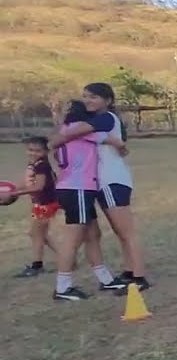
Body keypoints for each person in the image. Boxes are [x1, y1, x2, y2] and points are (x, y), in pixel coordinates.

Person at [51, 82, 150, 292]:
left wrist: (57, 139)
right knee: (120, 232)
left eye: (93, 97)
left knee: (127, 232)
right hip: (102, 183)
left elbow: (72, 133)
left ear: (108, 101)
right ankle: (130, 271)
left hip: (111, 181)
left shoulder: (104, 119)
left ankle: (139, 278)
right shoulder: (99, 121)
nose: (88, 100)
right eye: (85, 96)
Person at [49, 101, 123, 301]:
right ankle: (63, 288)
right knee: (74, 238)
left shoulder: (65, 131)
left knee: (93, 235)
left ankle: (106, 280)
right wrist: (120, 145)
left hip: (76, 188)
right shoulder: (80, 131)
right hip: (78, 188)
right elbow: (114, 141)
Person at [11, 137, 60, 278]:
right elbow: (27, 183)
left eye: (38, 150)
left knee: (37, 234)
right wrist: (10, 190)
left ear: (45, 151)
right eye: (30, 150)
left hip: (47, 203)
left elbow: (38, 187)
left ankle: (37, 266)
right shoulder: (34, 164)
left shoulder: (42, 166)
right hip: (41, 204)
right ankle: (66, 257)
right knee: (38, 234)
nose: (33, 153)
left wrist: (15, 193)